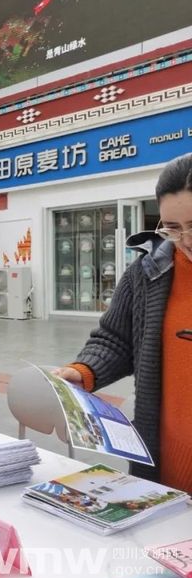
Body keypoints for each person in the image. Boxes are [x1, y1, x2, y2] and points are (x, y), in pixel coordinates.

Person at [54, 153, 192, 493]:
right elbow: (117, 340)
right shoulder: (148, 274)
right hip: (162, 471)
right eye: (173, 228)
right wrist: (83, 370)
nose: (186, 240)